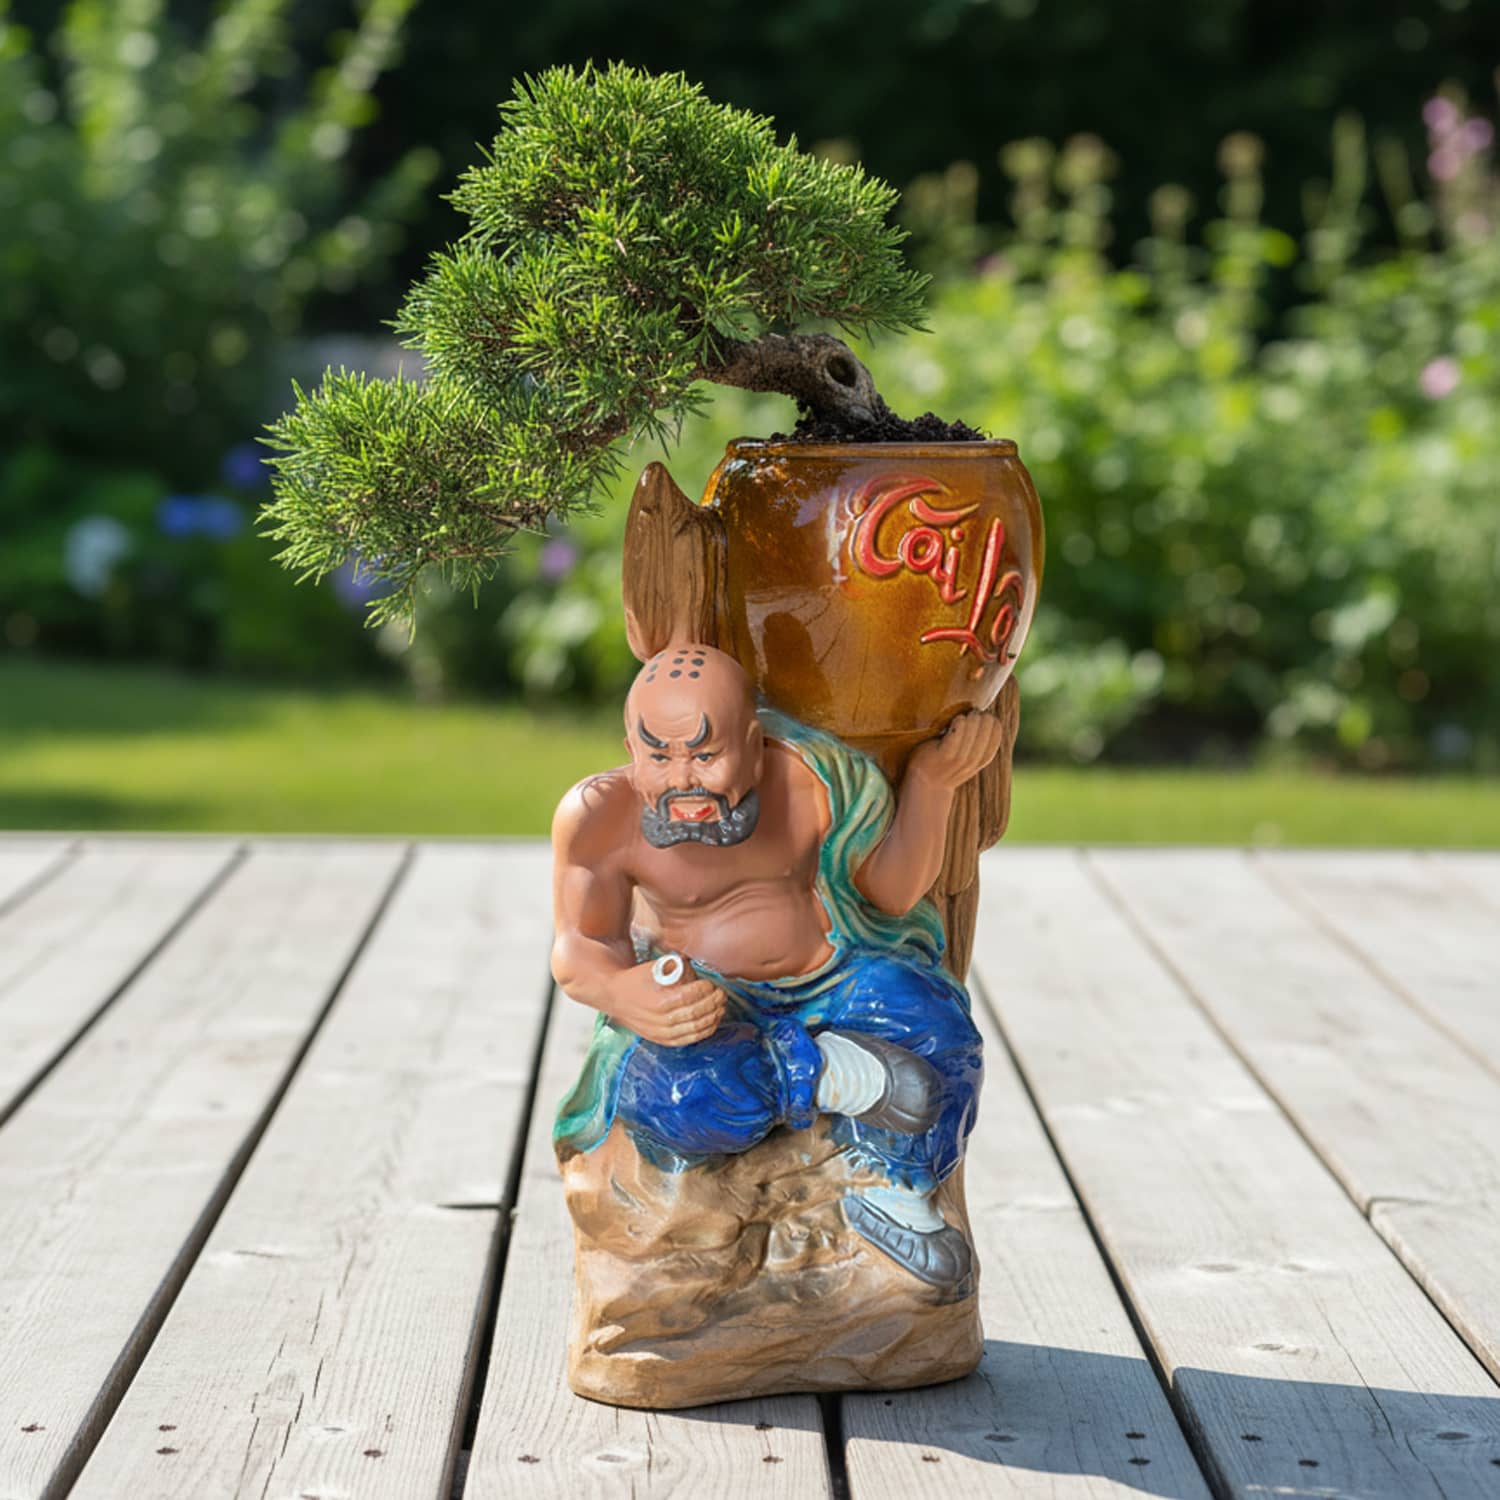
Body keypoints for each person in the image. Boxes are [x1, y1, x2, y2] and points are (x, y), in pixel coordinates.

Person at [550, 642, 1003, 1296]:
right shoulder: (599, 816)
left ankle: (896, 1192)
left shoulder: (813, 779)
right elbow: (578, 947)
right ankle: (828, 1071)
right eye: (659, 755)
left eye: (706, 755)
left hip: (833, 980)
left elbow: (892, 892)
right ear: (629, 745)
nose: (684, 781)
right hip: (708, 1009)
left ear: (755, 741)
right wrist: (623, 991)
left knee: (939, 1027)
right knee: (675, 1097)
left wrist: (931, 784)